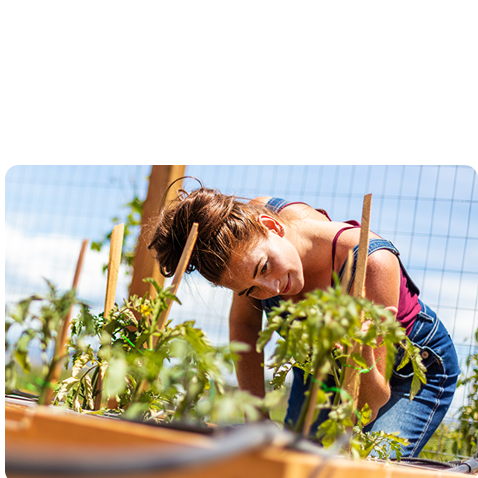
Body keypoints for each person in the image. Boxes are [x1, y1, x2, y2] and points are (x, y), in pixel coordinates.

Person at [148, 186, 459, 457]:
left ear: (272, 226)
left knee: (364, 468)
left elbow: (370, 403)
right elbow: (244, 328)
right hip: (320, 361)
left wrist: (361, 349)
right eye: (251, 290)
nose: (271, 289)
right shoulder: (245, 235)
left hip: (408, 371)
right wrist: (256, 416)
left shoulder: (370, 262)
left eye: (265, 268)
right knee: (295, 467)